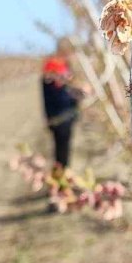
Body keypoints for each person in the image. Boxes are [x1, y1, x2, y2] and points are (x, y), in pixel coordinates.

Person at [40, 39, 84, 169]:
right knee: (62, 150)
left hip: (60, 116)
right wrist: (78, 93)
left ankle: (61, 173)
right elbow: (61, 95)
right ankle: (61, 174)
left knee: (61, 149)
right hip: (61, 117)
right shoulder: (55, 68)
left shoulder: (57, 66)